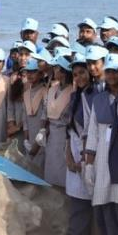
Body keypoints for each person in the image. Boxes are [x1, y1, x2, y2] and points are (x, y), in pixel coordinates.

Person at [84, 53, 118, 235]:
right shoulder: (100, 99)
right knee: (105, 208)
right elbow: (93, 131)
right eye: (109, 71)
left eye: (116, 71)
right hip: (102, 158)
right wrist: (90, 163)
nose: (112, 75)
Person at [60, 54, 94, 235]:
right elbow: (69, 129)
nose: (79, 77)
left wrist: (83, 157)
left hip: (87, 152)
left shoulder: (93, 95)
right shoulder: (75, 97)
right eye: (75, 74)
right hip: (73, 149)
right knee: (76, 201)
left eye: (82, 73)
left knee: (88, 201)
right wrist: (69, 156)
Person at [42, 56, 74, 188]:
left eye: (57, 68)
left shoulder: (73, 91)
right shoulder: (52, 89)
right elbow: (46, 111)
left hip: (64, 134)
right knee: (51, 169)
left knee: (62, 169)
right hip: (51, 135)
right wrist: (42, 129)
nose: (54, 70)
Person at [21, 58, 47, 167]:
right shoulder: (26, 93)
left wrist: (38, 142)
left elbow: (45, 117)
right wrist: (26, 139)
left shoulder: (45, 91)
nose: (30, 75)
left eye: (34, 72)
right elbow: (25, 118)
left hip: (41, 136)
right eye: (28, 72)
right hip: (30, 136)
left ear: (41, 74)